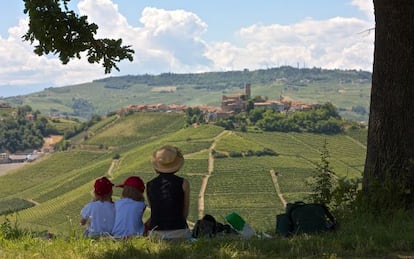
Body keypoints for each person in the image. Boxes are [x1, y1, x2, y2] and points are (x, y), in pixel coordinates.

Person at [146, 145, 191, 240]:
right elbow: (185, 210)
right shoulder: (184, 183)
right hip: (179, 231)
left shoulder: (149, 185)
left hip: (155, 233)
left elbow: (154, 209)